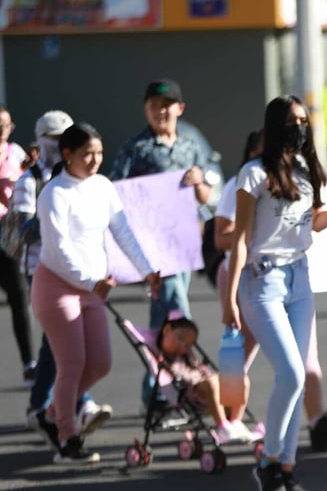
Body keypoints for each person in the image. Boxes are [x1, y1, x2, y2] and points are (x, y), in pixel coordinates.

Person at [223, 95, 327, 491]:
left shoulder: (307, 172)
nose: (300, 127)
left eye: (304, 120)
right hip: (262, 281)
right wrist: (229, 300)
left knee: (293, 382)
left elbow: (313, 223)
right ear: (276, 125)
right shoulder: (253, 174)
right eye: (293, 120)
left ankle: (287, 469)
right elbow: (239, 239)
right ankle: (269, 463)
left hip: (299, 277)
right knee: (292, 374)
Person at [30, 123, 161, 463]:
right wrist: (92, 282)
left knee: (100, 363)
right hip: (57, 286)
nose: (95, 160)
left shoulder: (102, 187)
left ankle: (49, 414)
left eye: (99, 153)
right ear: (68, 154)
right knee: (71, 364)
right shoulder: (54, 193)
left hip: (92, 286)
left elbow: (123, 232)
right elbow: (59, 252)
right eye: (87, 153)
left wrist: (147, 270)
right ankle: (67, 439)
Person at [109, 79, 213, 407]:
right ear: (146, 109)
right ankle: (172, 388)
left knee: (162, 319)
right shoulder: (136, 148)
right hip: (153, 249)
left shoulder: (191, 144)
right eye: (153, 106)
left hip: (183, 245)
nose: (160, 112)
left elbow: (210, 193)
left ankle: (156, 392)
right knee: (174, 311)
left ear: (179, 109)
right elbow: (115, 193)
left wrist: (199, 184)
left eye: (166, 106)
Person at [16, 111, 112, 443]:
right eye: (52, 139)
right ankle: (63, 415)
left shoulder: (88, 178)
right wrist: (49, 220)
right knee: (61, 350)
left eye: (62, 138)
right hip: (42, 269)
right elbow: (25, 230)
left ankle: (51, 408)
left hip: (83, 275)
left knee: (66, 350)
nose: (56, 145)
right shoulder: (32, 179)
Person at [154, 314, 253, 443]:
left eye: (187, 345)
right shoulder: (165, 361)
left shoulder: (189, 357)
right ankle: (223, 427)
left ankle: (235, 422)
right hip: (192, 395)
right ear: (166, 330)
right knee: (212, 381)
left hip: (209, 390)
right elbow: (180, 379)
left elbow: (203, 371)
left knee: (241, 378)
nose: (183, 346)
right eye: (180, 338)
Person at [0, 105, 35, 385]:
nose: (3, 130)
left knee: (19, 297)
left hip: (8, 232)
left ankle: (29, 362)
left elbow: (28, 183)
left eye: (7, 125)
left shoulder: (16, 153)